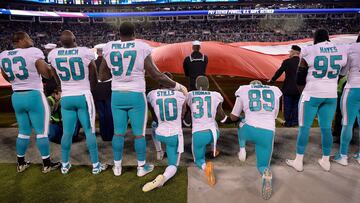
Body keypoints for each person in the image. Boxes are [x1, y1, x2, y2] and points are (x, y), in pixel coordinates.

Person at [99, 22, 187, 177]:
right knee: (139, 134)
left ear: (119, 33)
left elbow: (103, 76)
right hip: (136, 94)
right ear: (134, 33)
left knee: (118, 133)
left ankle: (117, 167)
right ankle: (141, 167)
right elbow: (156, 74)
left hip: (117, 95)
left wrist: (120, 77)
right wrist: (178, 86)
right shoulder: (141, 46)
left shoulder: (109, 47)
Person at [286, 29, 348, 172]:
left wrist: (305, 93)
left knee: (304, 127)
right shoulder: (341, 49)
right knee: (326, 129)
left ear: (315, 38)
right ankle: (326, 160)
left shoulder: (309, 50)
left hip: (312, 93)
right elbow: (342, 73)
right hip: (331, 94)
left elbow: (300, 77)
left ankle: (299, 161)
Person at [0, 31, 60, 173]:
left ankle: (20, 163)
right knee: (41, 132)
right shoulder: (33, 52)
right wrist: (50, 68)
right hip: (34, 95)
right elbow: (47, 74)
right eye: (28, 37)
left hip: (16, 96)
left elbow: (6, 76)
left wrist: (19, 83)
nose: (31, 39)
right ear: (21, 40)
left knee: (23, 131)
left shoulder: (3, 55)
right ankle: (46, 164)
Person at [48, 30, 106, 175]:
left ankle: (65, 165)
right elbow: (93, 72)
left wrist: (61, 86)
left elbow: (54, 72)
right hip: (83, 95)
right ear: (74, 39)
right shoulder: (84, 52)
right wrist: (90, 88)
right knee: (89, 130)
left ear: (61, 42)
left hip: (66, 97)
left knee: (67, 132)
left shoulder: (54, 54)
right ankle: (95, 165)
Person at [227, 80, 282, 200]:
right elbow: (275, 115)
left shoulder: (243, 89)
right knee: (262, 165)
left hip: (249, 130)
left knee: (240, 123)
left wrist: (243, 116)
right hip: (267, 132)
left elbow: (233, 116)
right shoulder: (274, 91)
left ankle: (242, 150)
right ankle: (265, 174)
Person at [143, 72, 187, 192]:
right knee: (173, 165)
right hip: (174, 135)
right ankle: (164, 177)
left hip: (159, 133)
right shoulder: (179, 94)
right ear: (172, 83)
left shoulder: (152, 94)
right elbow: (183, 113)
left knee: (153, 124)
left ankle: (159, 151)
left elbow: (151, 108)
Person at [187, 76, 226, 186]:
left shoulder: (190, 95)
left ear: (196, 85)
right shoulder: (215, 95)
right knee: (214, 122)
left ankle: (205, 167)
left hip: (199, 134)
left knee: (198, 159)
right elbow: (220, 114)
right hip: (213, 134)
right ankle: (214, 149)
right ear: (208, 86)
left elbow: (187, 111)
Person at [333, 33, 360, 166]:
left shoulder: (352, 48)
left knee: (347, 123)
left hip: (353, 87)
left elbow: (343, 72)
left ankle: (343, 155)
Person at [268, 45, 301, 127]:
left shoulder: (287, 62)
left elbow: (279, 72)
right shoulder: (303, 62)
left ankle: (288, 122)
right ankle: (294, 122)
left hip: (288, 88)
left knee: (287, 106)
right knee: (297, 106)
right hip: (300, 88)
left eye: (290, 51)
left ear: (294, 52)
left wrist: (272, 80)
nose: (289, 53)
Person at [92, 43, 114, 141]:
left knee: (101, 114)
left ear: (97, 52)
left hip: (97, 91)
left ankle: (104, 135)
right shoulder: (109, 62)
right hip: (108, 89)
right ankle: (110, 134)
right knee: (109, 112)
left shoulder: (93, 63)